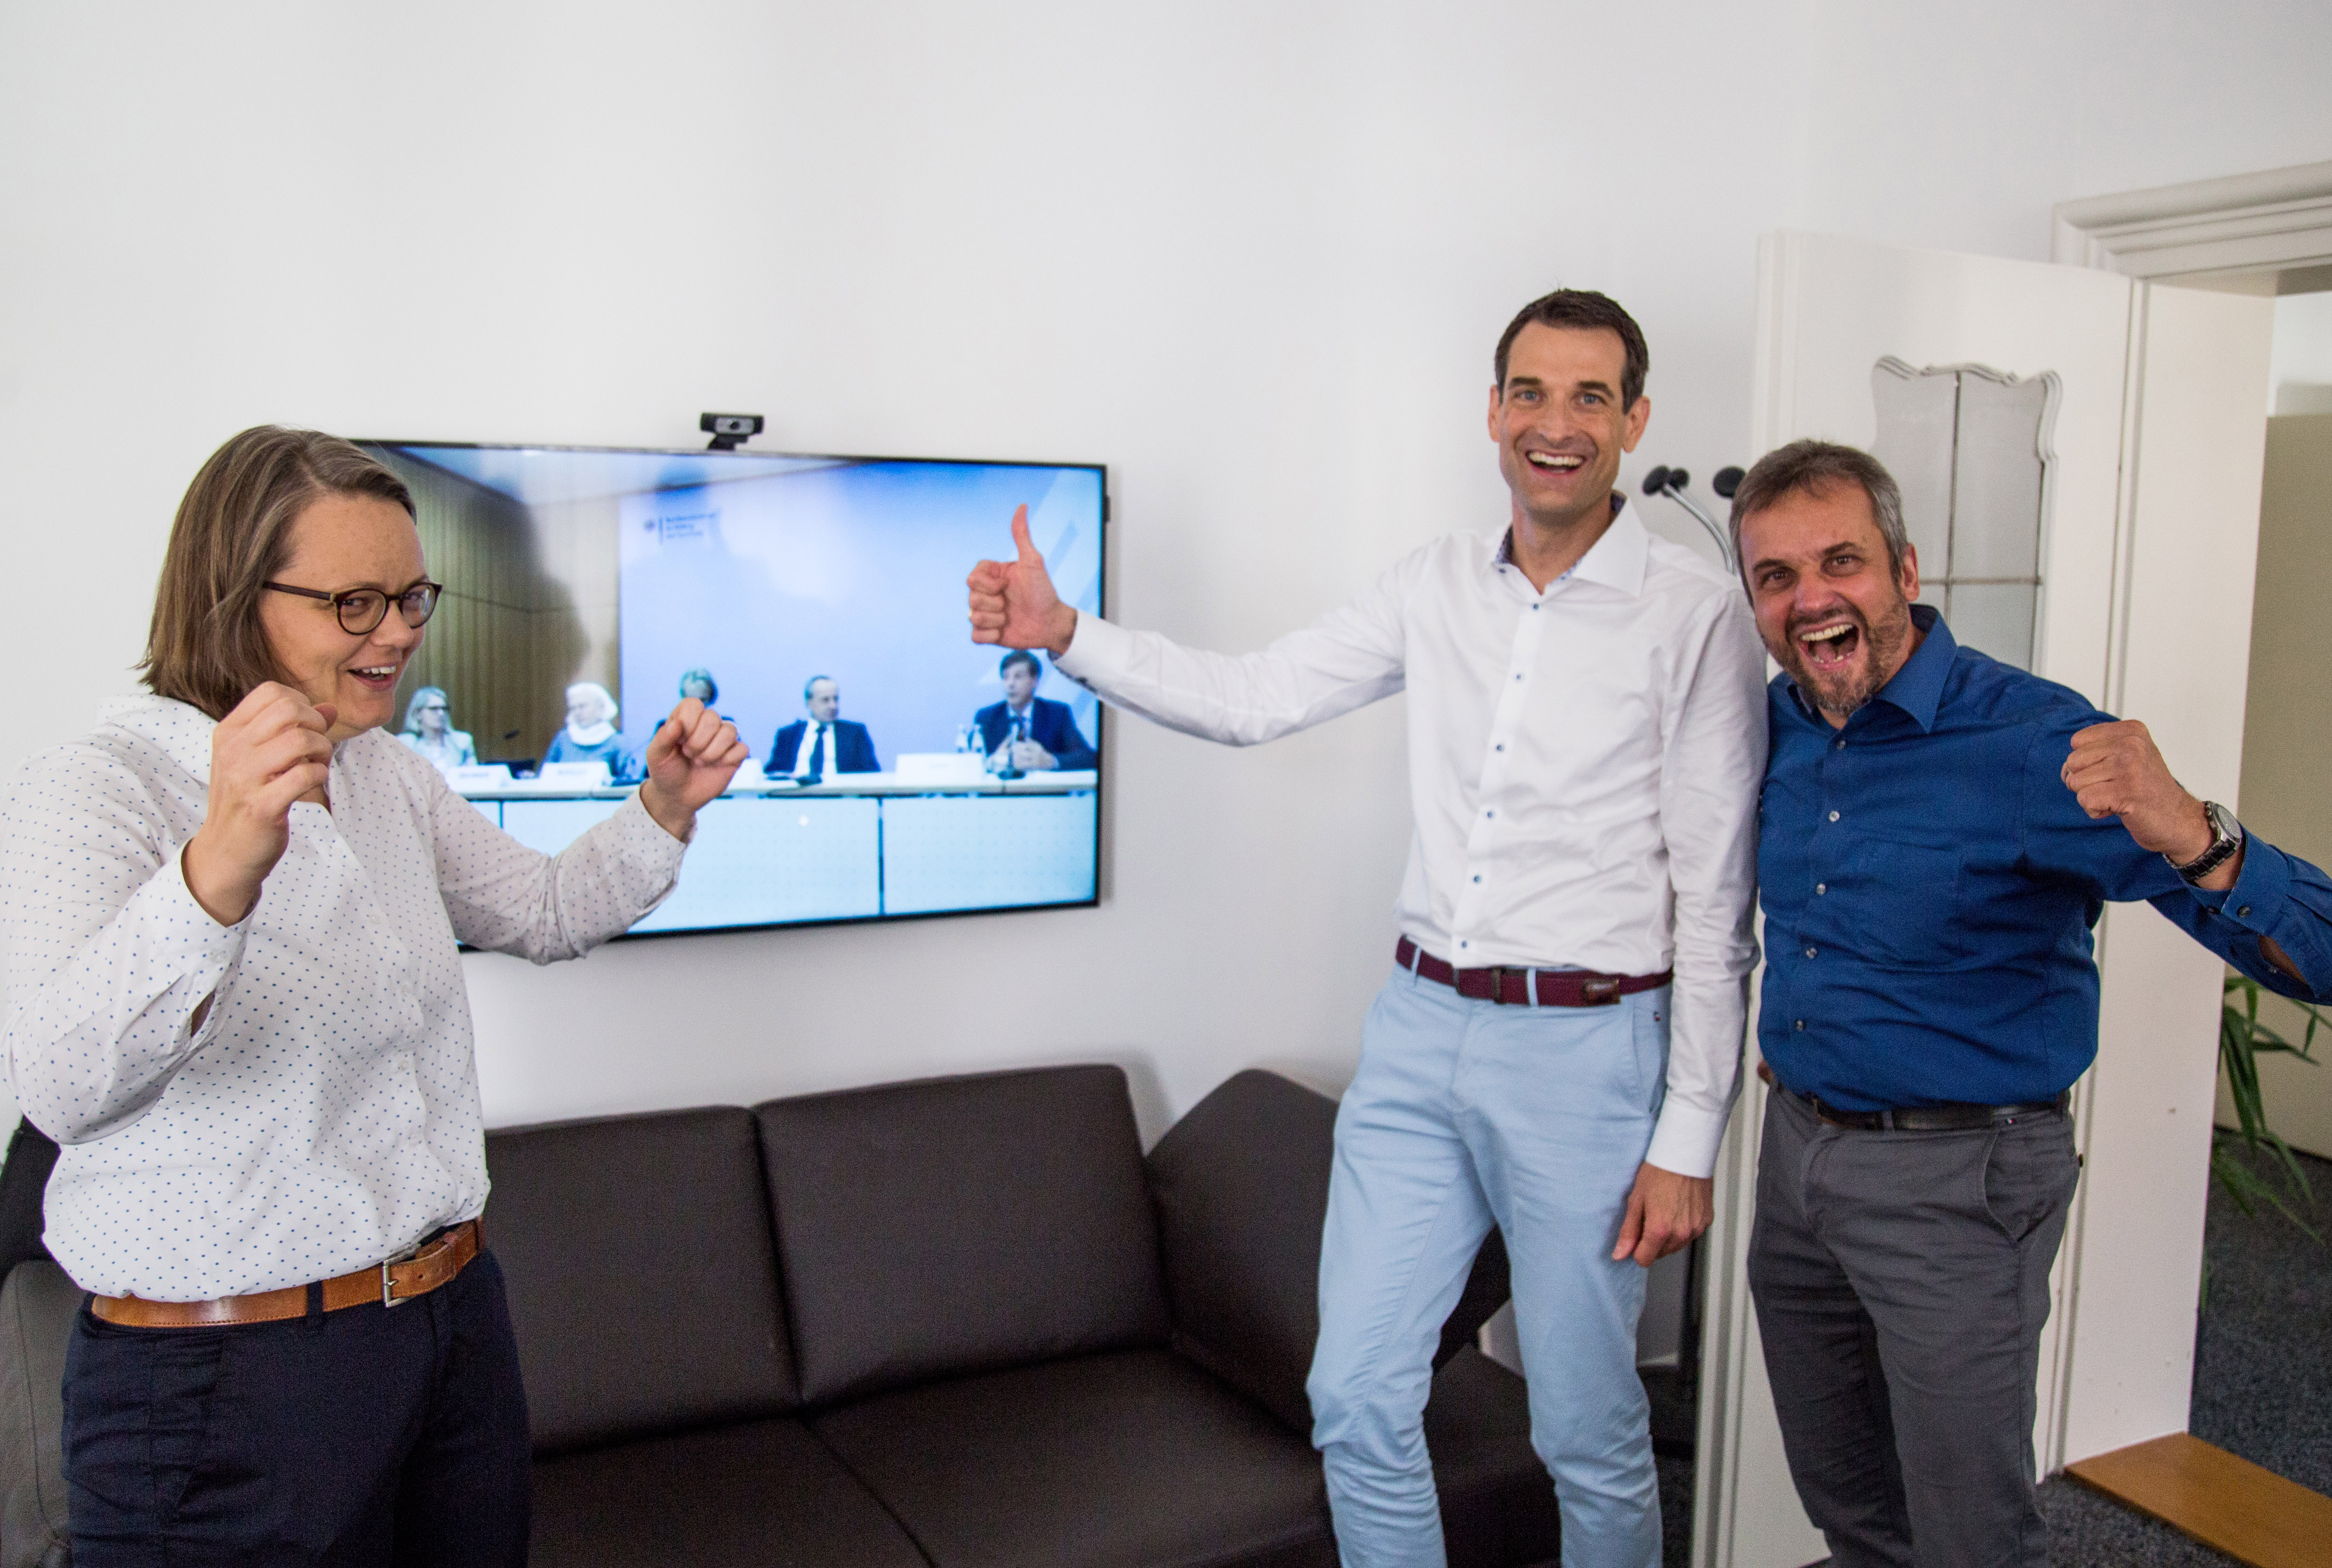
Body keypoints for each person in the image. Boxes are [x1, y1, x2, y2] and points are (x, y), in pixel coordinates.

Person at [967, 290, 1765, 1567]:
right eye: (1529, 393)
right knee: (1352, 1396)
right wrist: (1066, 634)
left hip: (1587, 1054)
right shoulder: (1433, 582)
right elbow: (1253, 698)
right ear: (1492, 411)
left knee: (1584, 1430)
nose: (1555, 424)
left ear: (1635, 420)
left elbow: (1719, 897)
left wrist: (1690, 1133)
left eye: (1589, 397)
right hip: (1416, 1032)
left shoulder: (1696, 611)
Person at [0, 425, 746, 1565]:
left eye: (411, 598)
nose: (396, 632)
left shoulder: (388, 774)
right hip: (225, 1383)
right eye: (355, 602)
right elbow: (59, 1086)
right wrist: (216, 871)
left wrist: (665, 808)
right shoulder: (99, 788)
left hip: (450, 1331)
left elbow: (542, 910)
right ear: (232, 598)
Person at [1730, 439, 2332, 1568]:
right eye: (1776, 576)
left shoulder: (2033, 742)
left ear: (1906, 570)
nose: (1810, 597)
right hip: (1797, 1158)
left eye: (1840, 560)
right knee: (1846, 1498)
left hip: (1961, 1181)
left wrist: (2196, 830)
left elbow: (2314, 955)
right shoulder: (1777, 724)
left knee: (1972, 1531)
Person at [971, 650, 1096, 773]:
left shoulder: (1057, 714)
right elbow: (969, 761)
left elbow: (1089, 758)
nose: (1010, 684)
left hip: (1045, 787)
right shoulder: (987, 718)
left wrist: (1051, 761)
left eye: (1018, 677)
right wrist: (991, 762)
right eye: (1006, 677)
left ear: (1035, 681)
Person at [768, 675, 880, 779]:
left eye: (835, 699)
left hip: (839, 792)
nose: (833, 706)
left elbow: (872, 774)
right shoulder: (788, 735)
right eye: (825, 700)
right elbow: (773, 773)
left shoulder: (854, 733)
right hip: (795, 792)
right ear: (810, 702)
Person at [543, 679, 641, 783]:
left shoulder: (617, 742)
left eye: (582, 706)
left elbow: (629, 781)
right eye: (573, 708)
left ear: (600, 708)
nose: (578, 712)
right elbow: (546, 776)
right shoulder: (563, 739)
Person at [398, 684, 477, 772]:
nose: (441, 713)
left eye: (444, 708)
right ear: (418, 713)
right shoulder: (407, 744)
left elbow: (473, 775)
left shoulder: (462, 742)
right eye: (434, 709)